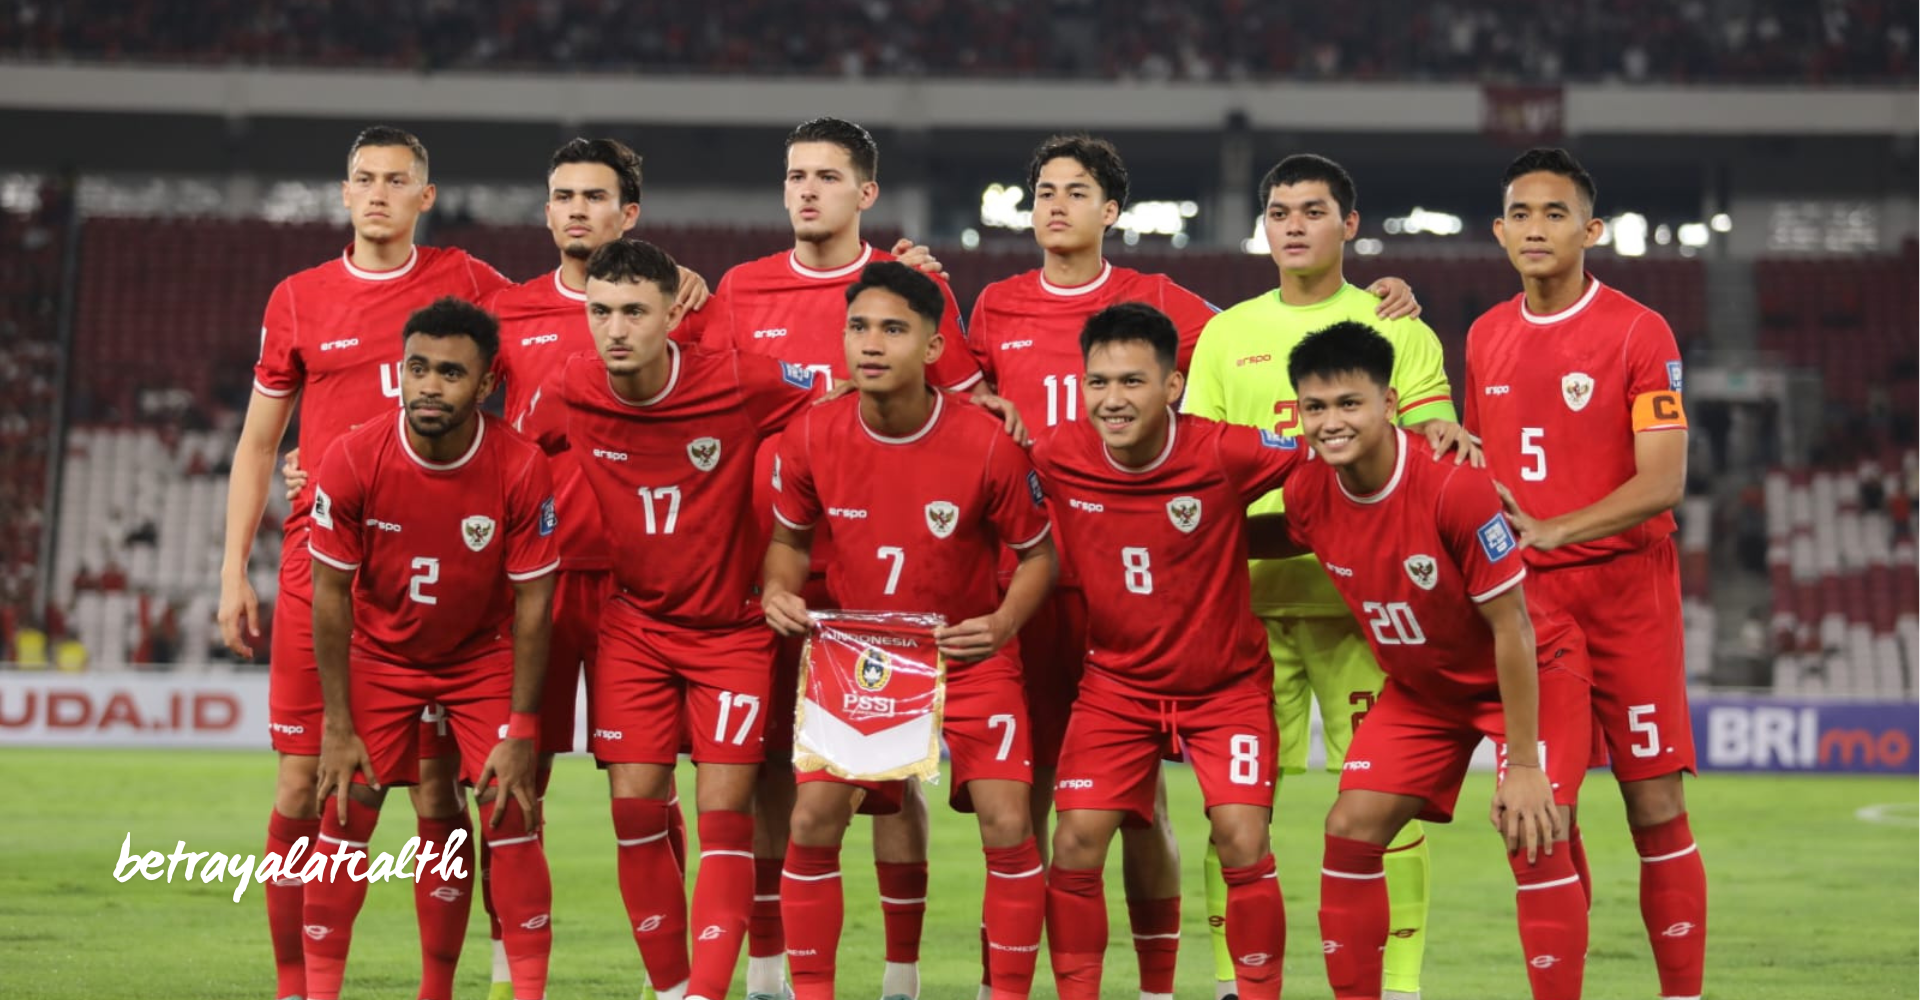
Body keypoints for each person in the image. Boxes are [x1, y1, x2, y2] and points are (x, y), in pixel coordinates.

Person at [695, 116, 994, 1000]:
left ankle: (899, 979)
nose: (806, 191)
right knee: (769, 778)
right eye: (795, 175)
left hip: (881, 580)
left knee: (890, 784)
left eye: (827, 176)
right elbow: (709, 416)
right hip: (772, 572)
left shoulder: (902, 289)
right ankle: (768, 971)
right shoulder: (739, 290)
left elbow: (977, 415)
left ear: (866, 192)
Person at [216, 125, 511, 1000]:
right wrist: (233, 567)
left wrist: (681, 291)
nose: (377, 192)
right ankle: (295, 985)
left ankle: (435, 988)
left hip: (439, 574)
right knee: (304, 779)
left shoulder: (470, 284)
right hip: (323, 564)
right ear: (342, 194)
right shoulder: (299, 298)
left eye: (396, 180)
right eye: (362, 179)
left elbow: (568, 313)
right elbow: (258, 444)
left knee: (434, 792)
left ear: (426, 197)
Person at [1183, 152, 1466, 1000]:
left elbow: (1434, 454)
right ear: (1263, 225)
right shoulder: (1226, 336)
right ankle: (1239, 982)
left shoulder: (1399, 329)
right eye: (1279, 211)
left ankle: (1401, 984)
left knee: (1388, 805)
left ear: (1350, 224)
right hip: (1249, 616)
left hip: (1370, 616)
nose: (1294, 224)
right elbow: (1204, 478)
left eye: (1313, 210)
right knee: (1237, 809)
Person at [519, 238, 817, 1000]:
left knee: (725, 814)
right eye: (600, 312)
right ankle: (674, 989)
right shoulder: (571, 385)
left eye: (633, 313)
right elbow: (507, 454)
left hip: (733, 630)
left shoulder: (741, 380)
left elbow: (844, 393)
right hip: (635, 630)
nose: (614, 329)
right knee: (635, 809)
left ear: (668, 317)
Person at [762, 262, 1056, 1000]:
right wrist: (777, 589)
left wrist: (1001, 622)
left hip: (965, 648)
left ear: (932, 347)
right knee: (815, 815)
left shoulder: (987, 442)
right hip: (863, 652)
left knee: (1007, 816)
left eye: (893, 329)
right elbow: (790, 541)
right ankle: (842, 989)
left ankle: (1005, 993)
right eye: (859, 327)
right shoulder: (813, 433)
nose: (871, 343)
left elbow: (1038, 555)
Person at [1272, 320, 1591, 999]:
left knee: (1530, 829)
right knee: (1350, 828)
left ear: (1390, 405)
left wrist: (1526, 765)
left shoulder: (1455, 488)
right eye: (1315, 407)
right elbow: (1274, 532)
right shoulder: (1306, 491)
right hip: (1425, 692)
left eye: (1349, 403)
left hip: (1531, 670)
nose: (1331, 422)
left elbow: (1515, 629)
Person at [1468, 147, 1705, 1000]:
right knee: (1534, 819)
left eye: (1555, 213)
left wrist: (1552, 530)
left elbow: (1664, 479)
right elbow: (1476, 469)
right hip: (1531, 614)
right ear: (1499, 232)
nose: (1536, 228)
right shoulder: (1485, 335)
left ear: (1590, 229)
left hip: (1627, 595)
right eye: (1521, 215)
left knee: (1654, 809)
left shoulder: (1641, 331)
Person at [480, 137, 707, 999]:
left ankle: (675, 982)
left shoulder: (679, 306)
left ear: (629, 214)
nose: (576, 209)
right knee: (511, 779)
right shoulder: (508, 312)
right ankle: (512, 971)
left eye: (595, 196)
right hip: (532, 582)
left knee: (643, 796)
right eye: (562, 195)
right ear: (546, 211)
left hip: (636, 587)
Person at [1030, 302, 1305, 1000]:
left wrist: (1433, 438)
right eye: (1098, 383)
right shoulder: (1058, 455)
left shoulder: (1224, 450)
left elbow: (1328, 455)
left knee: (1242, 839)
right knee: (1075, 844)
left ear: (1172, 386)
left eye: (1131, 382)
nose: (1112, 400)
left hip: (1226, 687)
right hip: (1116, 685)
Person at [302, 297, 559, 1000]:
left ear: (484, 385)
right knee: (347, 809)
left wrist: (523, 729)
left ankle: (506, 991)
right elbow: (329, 594)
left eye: (449, 373)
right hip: (381, 657)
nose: (428, 386)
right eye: (417, 368)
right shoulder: (354, 456)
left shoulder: (519, 465)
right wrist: (337, 723)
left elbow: (536, 603)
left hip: (481, 656)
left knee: (508, 809)